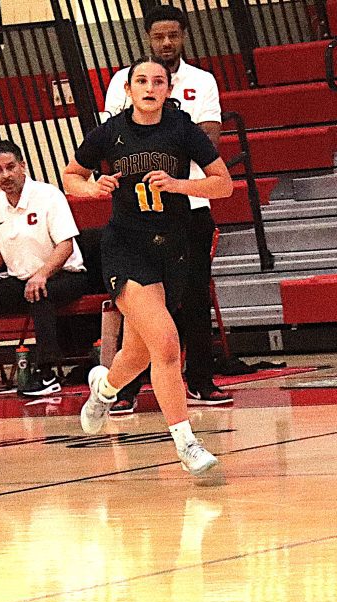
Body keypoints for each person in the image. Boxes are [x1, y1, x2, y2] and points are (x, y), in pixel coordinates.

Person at [62, 57, 233, 477]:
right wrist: (90, 188)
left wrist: (179, 184)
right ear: (128, 88)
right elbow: (70, 175)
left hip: (173, 248)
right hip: (126, 247)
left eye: (159, 80)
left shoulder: (184, 131)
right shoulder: (109, 133)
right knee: (168, 343)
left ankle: (103, 388)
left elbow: (223, 184)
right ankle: (187, 443)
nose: (150, 87)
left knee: (138, 353)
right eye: (142, 80)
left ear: (168, 89)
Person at [103, 4, 230, 413]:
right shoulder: (124, 80)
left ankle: (201, 381)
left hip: (189, 203)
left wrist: (169, 134)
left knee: (193, 296)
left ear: (183, 36)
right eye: (158, 36)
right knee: (139, 304)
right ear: (148, 39)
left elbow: (207, 135)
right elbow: (114, 135)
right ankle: (125, 387)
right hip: (137, 212)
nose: (166, 43)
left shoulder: (201, 81)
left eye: (173, 35)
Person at [0, 140, 88, 401]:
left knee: (39, 293)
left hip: (65, 275)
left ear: (23, 166)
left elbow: (66, 246)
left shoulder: (48, 195)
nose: (5, 175)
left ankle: (46, 373)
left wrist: (42, 274)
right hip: (21, 279)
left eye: (10, 167)